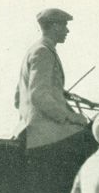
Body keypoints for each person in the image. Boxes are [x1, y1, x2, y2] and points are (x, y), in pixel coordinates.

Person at [12, 8, 89, 149]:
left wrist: (59, 92)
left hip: (28, 127)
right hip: (43, 132)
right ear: (55, 26)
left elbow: (18, 98)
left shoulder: (34, 49)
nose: (67, 31)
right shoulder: (43, 52)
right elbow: (38, 96)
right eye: (64, 25)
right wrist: (70, 117)